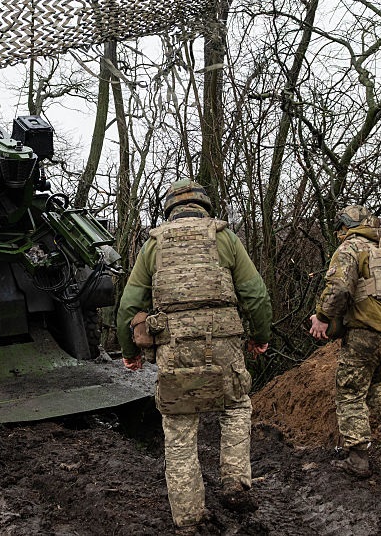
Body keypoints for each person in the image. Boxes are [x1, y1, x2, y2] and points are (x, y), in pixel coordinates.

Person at [117, 179, 272, 531]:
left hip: (174, 346)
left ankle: (188, 519)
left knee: (179, 425)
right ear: (204, 206)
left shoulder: (153, 245)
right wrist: (260, 337)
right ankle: (235, 481)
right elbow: (256, 295)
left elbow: (129, 305)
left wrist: (130, 352)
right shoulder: (224, 237)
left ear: (169, 209)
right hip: (224, 343)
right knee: (235, 406)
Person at [308, 204, 381, 479]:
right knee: (376, 382)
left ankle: (357, 458)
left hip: (366, 333)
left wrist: (322, 317)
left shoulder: (351, 248)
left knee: (350, 390)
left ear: (346, 227)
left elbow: (339, 288)